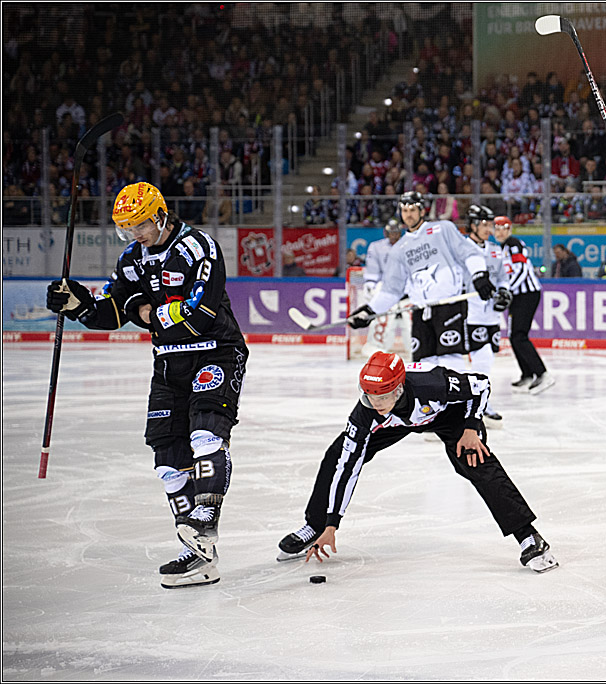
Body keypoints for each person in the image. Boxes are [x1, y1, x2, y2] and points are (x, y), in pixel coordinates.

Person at [44, 182, 247, 589]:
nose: (135, 233)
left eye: (139, 225)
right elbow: (114, 309)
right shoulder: (132, 258)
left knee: (206, 435)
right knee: (168, 461)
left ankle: (204, 522)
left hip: (216, 351)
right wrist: (80, 305)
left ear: (160, 215)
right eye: (126, 228)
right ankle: (199, 557)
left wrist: (146, 310)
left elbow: (201, 312)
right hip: (168, 362)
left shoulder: (197, 247)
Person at [279, 351, 559, 574]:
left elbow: (481, 385)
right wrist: (331, 524)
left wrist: (472, 427)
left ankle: (529, 536)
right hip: (396, 421)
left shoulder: (433, 384)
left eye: (384, 396)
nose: (376, 403)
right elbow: (347, 469)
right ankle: (313, 526)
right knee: (337, 456)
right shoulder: (368, 412)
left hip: (449, 415)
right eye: (369, 397)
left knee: (475, 461)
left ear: (399, 390)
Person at [347, 191, 496, 371]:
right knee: (423, 364)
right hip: (421, 310)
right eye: (404, 210)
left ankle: (457, 398)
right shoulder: (399, 249)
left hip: (449, 305)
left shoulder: (443, 229)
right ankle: (431, 400)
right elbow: (391, 291)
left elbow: (469, 253)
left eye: (413, 209)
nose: (408, 214)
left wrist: (479, 274)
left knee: (451, 358)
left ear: (422, 211)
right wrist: (370, 311)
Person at [493, 215, 555, 394]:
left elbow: (521, 269)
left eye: (504, 227)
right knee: (514, 335)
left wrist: (508, 289)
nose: (500, 231)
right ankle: (527, 374)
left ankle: (542, 374)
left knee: (519, 335)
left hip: (526, 293)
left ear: (510, 229)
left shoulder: (513, 244)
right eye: (496, 228)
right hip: (517, 295)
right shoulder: (503, 248)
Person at [463, 204, 513, 422]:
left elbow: (503, 277)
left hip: (491, 314)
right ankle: (472, 402)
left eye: (489, 224)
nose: (488, 228)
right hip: (469, 313)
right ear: (472, 225)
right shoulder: (461, 249)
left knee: (488, 358)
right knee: (477, 358)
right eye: (483, 224)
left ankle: (480, 401)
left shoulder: (495, 249)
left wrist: (504, 291)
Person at [359, 216, 410, 354]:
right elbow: (373, 270)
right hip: (387, 289)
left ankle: (415, 350)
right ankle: (377, 349)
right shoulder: (377, 247)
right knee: (382, 319)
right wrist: (371, 285)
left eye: (396, 232)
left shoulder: (409, 245)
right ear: (386, 233)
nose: (394, 235)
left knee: (410, 323)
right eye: (391, 232)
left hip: (407, 291)